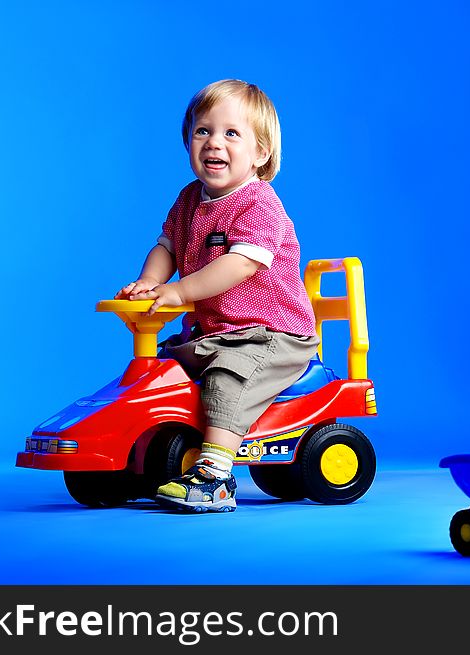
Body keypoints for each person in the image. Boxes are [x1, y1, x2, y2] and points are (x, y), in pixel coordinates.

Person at [115, 79, 319, 513]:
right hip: (215, 331)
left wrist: (180, 291)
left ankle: (215, 476)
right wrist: (150, 281)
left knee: (225, 380)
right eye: (202, 131)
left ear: (261, 152)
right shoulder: (189, 199)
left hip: (269, 335)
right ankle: (136, 457)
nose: (214, 143)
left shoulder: (259, 205)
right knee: (163, 367)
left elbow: (239, 264)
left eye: (231, 133)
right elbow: (168, 245)